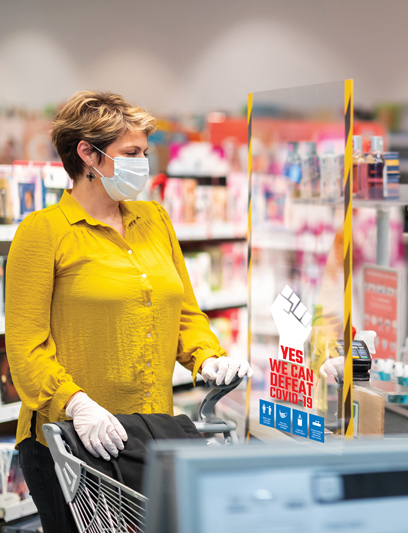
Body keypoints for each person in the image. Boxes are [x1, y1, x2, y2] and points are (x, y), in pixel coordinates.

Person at [5, 91, 252, 533]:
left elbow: (184, 314)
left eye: (145, 152)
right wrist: (76, 404)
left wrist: (206, 356)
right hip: (71, 443)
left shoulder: (154, 219)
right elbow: (25, 349)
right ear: (88, 154)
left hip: (151, 434)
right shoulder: (42, 233)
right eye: (131, 153)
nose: (143, 164)